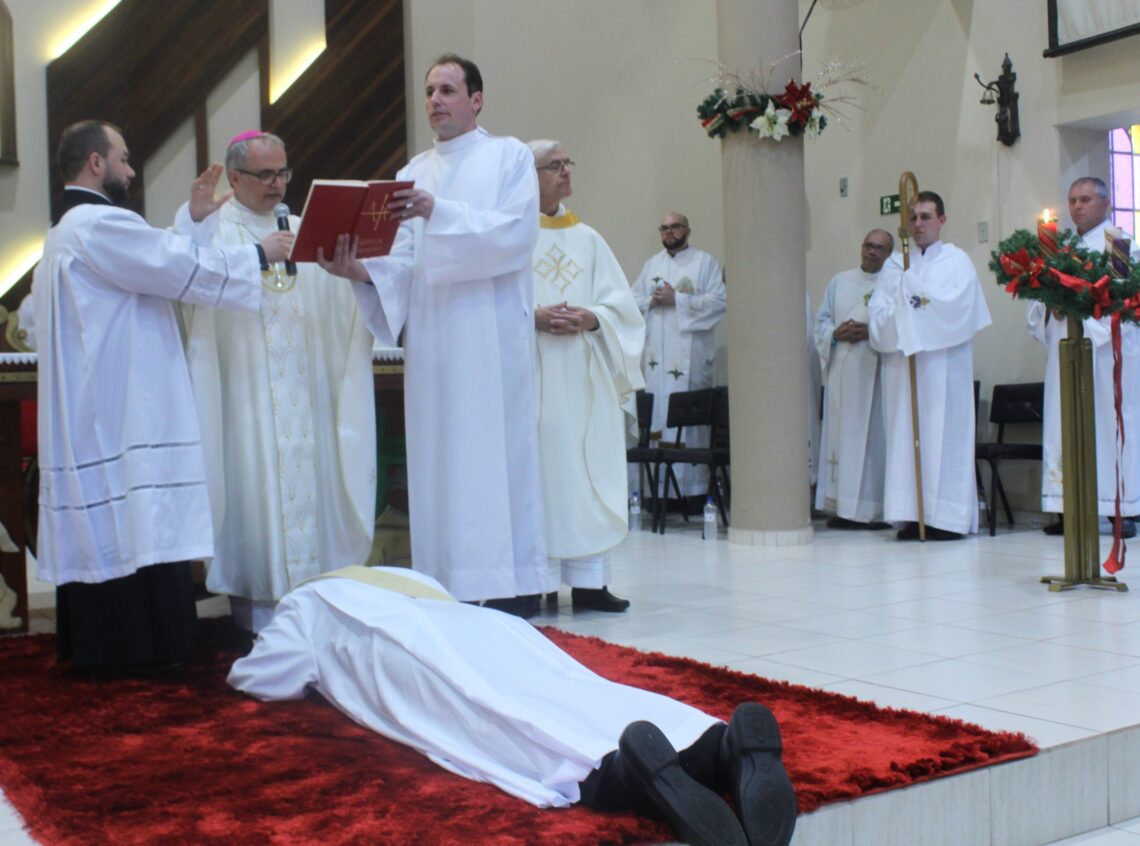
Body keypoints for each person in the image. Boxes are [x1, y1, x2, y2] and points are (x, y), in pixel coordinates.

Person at [228, 566, 798, 846]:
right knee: (574, 685)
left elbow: (263, 678)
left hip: (404, 649)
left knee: (488, 712)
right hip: (484, 626)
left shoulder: (309, 599)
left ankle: (626, 775)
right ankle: (716, 746)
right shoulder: (399, 575)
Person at [32, 120, 294, 672]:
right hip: (124, 408)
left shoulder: (65, 231)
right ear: (96, 164)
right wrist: (258, 255)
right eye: (124, 158)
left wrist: (195, 222)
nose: (131, 170)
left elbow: (162, 263)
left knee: (117, 528)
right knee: (137, 521)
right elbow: (173, 268)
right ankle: (143, 647)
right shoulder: (100, 224)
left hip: (96, 405)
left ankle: (107, 643)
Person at [317, 54, 546, 616]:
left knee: (491, 456)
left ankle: (509, 585)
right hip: (434, 344)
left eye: (447, 90)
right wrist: (360, 272)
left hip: (489, 340)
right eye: (428, 91)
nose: (435, 101)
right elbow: (401, 260)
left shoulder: (509, 156)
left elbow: (514, 237)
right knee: (439, 459)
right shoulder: (409, 172)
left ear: (476, 98)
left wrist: (436, 210)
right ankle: (445, 581)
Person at [173, 131, 376, 633]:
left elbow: (344, 308)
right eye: (265, 174)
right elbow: (182, 282)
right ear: (235, 177)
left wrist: (355, 275)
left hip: (308, 397)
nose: (278, 183)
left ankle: (318, 603)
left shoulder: (308, 230)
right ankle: (257, 613)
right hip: (245, 399)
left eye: (283, 172)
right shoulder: (214, 232)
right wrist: (193, 223)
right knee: (251, 483)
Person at [528, 139, 645, 613]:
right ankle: (533, 584)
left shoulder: (589, 238)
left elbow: (623, 307)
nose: (565, 173)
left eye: (566, 164)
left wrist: (592, 319)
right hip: (532, 373)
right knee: (541, 475)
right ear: (528, 176)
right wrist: (530, 315)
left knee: (588, 468)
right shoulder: (512, 237)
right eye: (553, 166)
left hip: (583, 373)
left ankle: (591, 584)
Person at [868, 191, 991, 541]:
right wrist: (901, 316)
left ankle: (946, 517)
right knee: (906, 436)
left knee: (945, 436)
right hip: (904, 368)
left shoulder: (957, 262)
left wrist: (914, 303)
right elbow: (878, 316)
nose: (918, 224)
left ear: (942, 220)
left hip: (943, 368)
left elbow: (958, 310)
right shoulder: (895, 266)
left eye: (926, 217)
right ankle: (911, 515)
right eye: (913, 218)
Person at [1028, 177, 1140, 538]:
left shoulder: (1118, 244)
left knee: (1110, 425)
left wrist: (1076, 311)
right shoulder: (1058, 250)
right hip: (1065, 353)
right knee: (1065, 423)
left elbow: (1122, 299)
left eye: (1086, 199)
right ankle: (1068, 505)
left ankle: (1119, 509)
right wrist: (1050, 308)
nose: (1077, 206)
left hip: (1108, 355)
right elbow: (1036, 302)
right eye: (1073, 200)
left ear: (1105, 204)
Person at [631, 213, 726, 507]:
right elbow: (631, 302)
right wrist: (650, 301)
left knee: (690, 425)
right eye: (664, 227)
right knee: (659, 417)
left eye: (675, 226)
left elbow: (719, 302)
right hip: (657, 364)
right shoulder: (652, 265)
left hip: (690, 361)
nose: (669, 232)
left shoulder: (705, 263)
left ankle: (693, 493)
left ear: (688, 230)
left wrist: (679, 301)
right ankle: (659, 495)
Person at [813, 230, 894, 529]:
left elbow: (900, 325)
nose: (872, 252)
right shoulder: (839, 282)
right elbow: (820, 323)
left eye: (880, 248)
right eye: (869, 246)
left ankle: (875, 511)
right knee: (842, 439)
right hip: (843, 375)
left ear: (889, 254)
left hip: (877, 374)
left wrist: (870, 333)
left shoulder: (894, 284)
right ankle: (843, 509)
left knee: (874, 441)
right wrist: (835, 333)